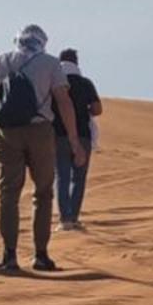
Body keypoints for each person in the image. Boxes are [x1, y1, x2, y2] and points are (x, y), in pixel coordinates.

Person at [0, 26, 84, 272]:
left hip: (6, 132)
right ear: (42, 42)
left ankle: (9, 256)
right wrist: (73, 139)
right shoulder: (49, 63)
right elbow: (63, 101)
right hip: (40, 131)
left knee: (8, 195)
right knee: (43, 192)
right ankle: (41, 255)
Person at [55, 48, 102, 230]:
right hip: (82, 136)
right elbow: (97, 109)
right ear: (76, 62)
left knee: (62, 177)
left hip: (58, 136)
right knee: (79, 178)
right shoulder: (85, 83)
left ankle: (64, 219)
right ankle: (73, 217)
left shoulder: (55, 83)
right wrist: (84, 111)